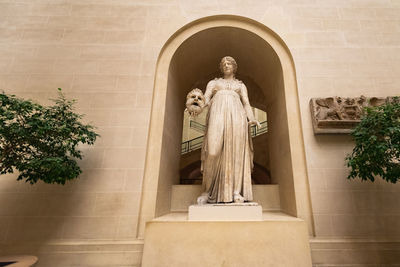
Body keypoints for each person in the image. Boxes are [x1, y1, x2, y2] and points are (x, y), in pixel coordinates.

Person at [195, 56, 260, 204]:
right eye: (223, 63)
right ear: (221, 67)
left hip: (237, 118)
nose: (226, 65)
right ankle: (207, 191)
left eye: (229, 63)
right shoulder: (214, 83)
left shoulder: (240, 85)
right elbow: (204, 100)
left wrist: (251, 118)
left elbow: (246, 103)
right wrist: (195, 107)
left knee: (236, 154)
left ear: (234, 67)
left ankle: (236, 192)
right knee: (212, 152)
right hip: (217, 115)